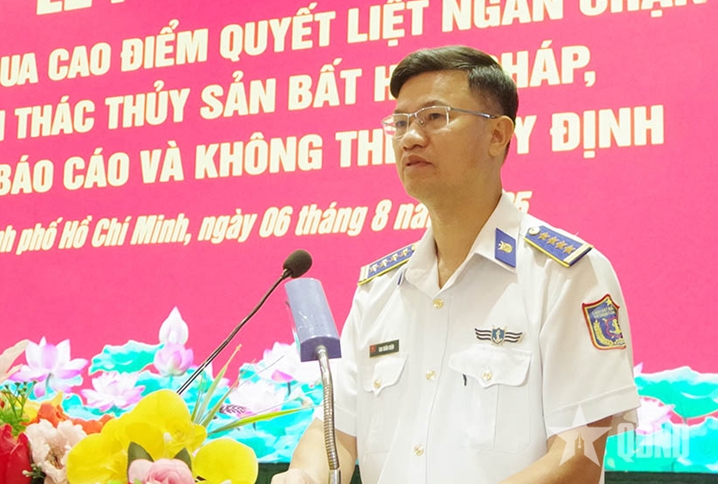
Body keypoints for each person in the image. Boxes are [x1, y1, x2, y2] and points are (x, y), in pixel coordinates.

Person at [272, 45, 640, 484]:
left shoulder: (566, 276)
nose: (410, 137)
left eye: (434, 117)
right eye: (401, 123)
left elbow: (578, 457)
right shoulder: (380, 289)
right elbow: (334, 430)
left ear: (497, 135)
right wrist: (303, 476)